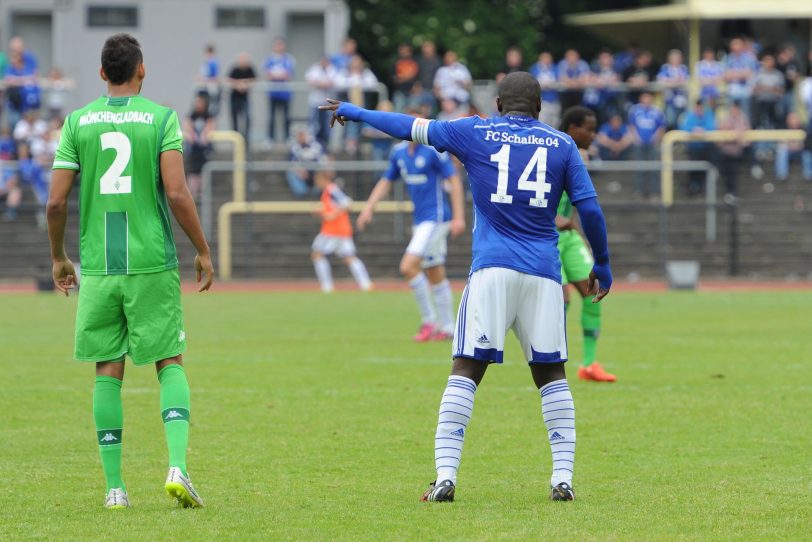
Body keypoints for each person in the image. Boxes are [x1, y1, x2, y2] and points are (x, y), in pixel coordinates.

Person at [320, 71, 613, 502]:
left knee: (466, 371)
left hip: (492, 270)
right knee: (552, 376)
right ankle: (562, 478)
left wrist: (355, 111)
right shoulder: (562, 144)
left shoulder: (474, 131)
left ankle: (445, 477)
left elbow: (409, 126)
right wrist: (602, 262)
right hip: (543, 274)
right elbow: (590, 210)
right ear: (539, 108)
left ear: (497, 104)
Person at [47, 33, 213, 510]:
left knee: (107, 370)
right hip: (151, 263)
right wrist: (202, 249)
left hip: (99, 266)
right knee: (169, 362)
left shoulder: (77, 122)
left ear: (102, 73)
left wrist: (60, 257)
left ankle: (115, 489)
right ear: (142, 70)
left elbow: (56, 200)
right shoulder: (161, 118)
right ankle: (177, 465)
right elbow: (178, 194)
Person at [357, 111, 466, 342]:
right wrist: (369, 207)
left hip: (436, 218)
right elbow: (386, 181)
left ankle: (429, 322)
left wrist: (459, 216)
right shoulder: (398, 153)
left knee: (408, 266)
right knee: (434, 270)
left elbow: (454, 180)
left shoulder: (433, 150)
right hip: (421, 221)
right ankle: (448, 327)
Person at [558, 107, 616, 382]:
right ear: (572, 129)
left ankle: (589, 364)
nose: (593, 135)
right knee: (559, 300)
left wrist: (580, 235)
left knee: (594, 289)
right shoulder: (552, 150)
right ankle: (552, 359)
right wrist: (550, 216)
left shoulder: (579, 156)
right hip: (543, 235)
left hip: (568, 237)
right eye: (589, 129)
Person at [311, 170, 373, 293]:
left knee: (317, 254)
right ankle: (366, 284)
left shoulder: (331, 189)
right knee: (349, 257)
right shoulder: (327, 192)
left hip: (332, 231)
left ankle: (327, 287)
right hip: (341, 230)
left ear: (323, 179)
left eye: (317, 181)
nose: (316, 184)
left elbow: (347, 203)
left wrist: (332, 215)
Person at [628, 91, 666, 199]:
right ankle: (639, 191)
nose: (647, 101)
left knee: (654, 167)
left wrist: (657, 138)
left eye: (648, 98)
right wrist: (636, 138)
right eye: (645, 98)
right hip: (639, 143)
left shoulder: (657, 111)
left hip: (653, 143)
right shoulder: (635, 110)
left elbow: (662, 127)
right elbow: (631, 125)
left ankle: (655, 192)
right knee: (639, 167)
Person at [678, 100, 716, 197]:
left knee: (706, 166)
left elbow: (712, 127)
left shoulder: (708, 115)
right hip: (693, 148)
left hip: (706, 148)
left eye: (700, 107)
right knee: (693, 167)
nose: (699, 109)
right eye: (697, 107)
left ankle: (702, 188)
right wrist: (694, 130)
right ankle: (693, 187)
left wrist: (702, 130)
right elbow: (684, 128)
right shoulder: (690, 116)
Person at [183, 93, 215, 199]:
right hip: (193, 151)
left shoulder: (209, 116)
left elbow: (210, 128)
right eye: (197, 102)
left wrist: (204, 135)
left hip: (204, 151)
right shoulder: (191, 116)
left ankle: (202, 194)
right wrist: (191, 134)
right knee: (192, 173)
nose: (198, 105)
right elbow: (187, 128)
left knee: (203, 173)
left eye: (200, 102)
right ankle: (193, 194)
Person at [716, 100, 750, 196]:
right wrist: (733, 132)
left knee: (733, 169)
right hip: (725, 151)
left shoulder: (743, 118)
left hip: (737, 151)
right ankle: (729, 192)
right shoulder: (726, 117)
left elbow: (743, 134)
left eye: (735, 108)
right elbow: (722, 128)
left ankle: (732, 193)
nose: (734, 110)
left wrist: (733, 132)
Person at [264, 38, 295, 143]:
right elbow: (268, 75)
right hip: (273, 93)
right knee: (271, 117)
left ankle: (287, 138)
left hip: (285, 93)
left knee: (286, 117)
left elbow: (288, 75)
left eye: (281, 44)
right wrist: (279, 75)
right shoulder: (269, 59)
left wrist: (276, 75)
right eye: (277, 44)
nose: (279, 47)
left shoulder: (289, 59)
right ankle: (270, 138)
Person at [305, 55, 337, 149]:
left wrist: (320, 83)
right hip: (315, 102)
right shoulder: (314, 68)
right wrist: (322, 84)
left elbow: (334, 82)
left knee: (327, 125)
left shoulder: (332, 69)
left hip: (328, 104)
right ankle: (314, 143)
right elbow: (310, 81)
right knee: (314, 124)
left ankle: (326, 144)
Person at [723, 38, 758, 118]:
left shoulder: (749, 58)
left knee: (746, 114)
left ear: (742, 46)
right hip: (732, 90)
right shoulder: (728, 59)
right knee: (731, 114)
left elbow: (750, 74)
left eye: (738, 44)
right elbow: (726, 76)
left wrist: (734, 73)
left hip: (745, 90)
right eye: (734, 45)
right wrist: (741, 73)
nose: (736, 47)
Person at [287, 126, 326, 197]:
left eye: (302, 134)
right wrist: (299, 170)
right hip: (301, 174)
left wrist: (317, 171)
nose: (301, 137)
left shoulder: (317, 145)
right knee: (291, 174)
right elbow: (292, 162)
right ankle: (302, 193)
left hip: (316, 172)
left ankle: (317, 192)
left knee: (324, 173)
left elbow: (323, 160)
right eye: (299, 135)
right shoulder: (294, 147)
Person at [657, 49, 690, 129]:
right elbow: (661, 81)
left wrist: (672, 81)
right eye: (674, 58)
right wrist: (676, 81)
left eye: (678, 58)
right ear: (670, 59)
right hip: (670, 101)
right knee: (670, 121)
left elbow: (687, 81)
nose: (676, 60)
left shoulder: (683, 68)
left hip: (682, 101)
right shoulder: (665, 68)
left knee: (681, 121)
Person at [774, 112, 812, 181]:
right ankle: (781, 174)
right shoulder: (784, 128)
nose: (793, 121)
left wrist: (797, 146)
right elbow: (780, 143)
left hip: (801, 152)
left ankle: (808, 174)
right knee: (782, 151)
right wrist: (792, 146)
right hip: (789, 152)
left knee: (807, 153)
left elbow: (807, 144)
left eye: (795, 118)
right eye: (791, 119)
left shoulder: (804, 129)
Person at [227, 52, 256, 140]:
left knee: (247, 117)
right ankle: (235, 137)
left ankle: (246, 138)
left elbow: (255, 79)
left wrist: (246, 83)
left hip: (244, 98)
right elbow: (228, 79)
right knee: (234, 118)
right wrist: (238, 84)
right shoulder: (235, 69)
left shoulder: (249, 69)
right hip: (234, 97)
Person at [529, 52, 560, 127]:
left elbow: (560, 81)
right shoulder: (535, 68)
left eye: (548, 58)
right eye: (544, 58)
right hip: (541, 100)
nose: (546, 60)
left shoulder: (555, 68)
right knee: (542, 121)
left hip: (554, 100)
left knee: (554, 123)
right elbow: (532, 83)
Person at [391, 43, 420, 112]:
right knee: (398, 113)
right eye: (402, 50)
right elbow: (394, 79)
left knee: (413, 113)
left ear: (410, 51)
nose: (404, 52)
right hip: (399, 92)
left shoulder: (415, 62)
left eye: (406, 50)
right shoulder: (396, 63)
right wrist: (408, 77)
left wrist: (403, 77)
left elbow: (418, 78)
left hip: (413, 93)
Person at [198, 44, 221, 117]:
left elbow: (215, 77)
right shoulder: (206, 63)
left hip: (211, 88)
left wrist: (204, 79)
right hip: (205, 88)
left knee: (212, 109)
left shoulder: (213, 63)